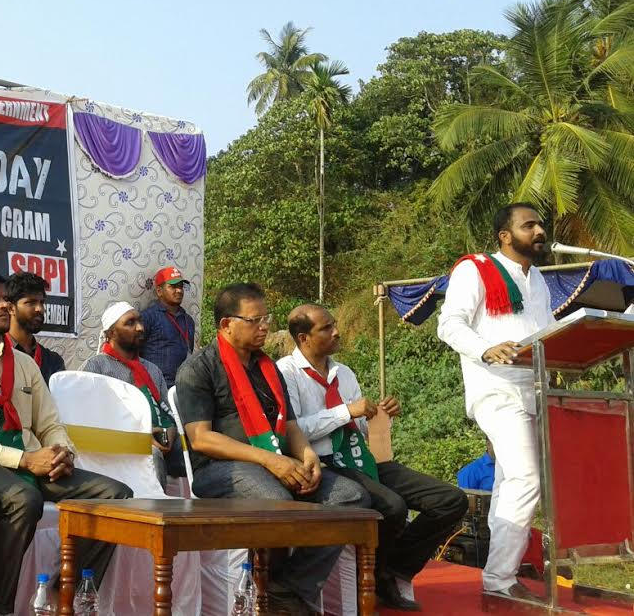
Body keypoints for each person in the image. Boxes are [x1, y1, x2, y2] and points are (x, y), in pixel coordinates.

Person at [0, 269, 132, 616]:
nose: (4, 306)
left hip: (31, 460)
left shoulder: (23, 363)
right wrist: (24, 460)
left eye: (6, 298)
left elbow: (49, 423)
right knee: (23, 499)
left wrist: (63, 452)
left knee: (117, 495)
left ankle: (68, 594)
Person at [175, 282, 371, 616]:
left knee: (351, 498)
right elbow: (202, 439)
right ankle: (271, 593)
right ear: (226, 324)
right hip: (220, 469)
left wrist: (307, 456)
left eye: (266, 318)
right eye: (255, 320)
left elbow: (290, 425)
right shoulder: (198, 368)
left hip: (276, 462)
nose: (264, 326)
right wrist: (270, 460)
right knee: (277, 501)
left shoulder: (268, 368)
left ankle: (286, 588)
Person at [280, 303, 467, 611]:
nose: (336, 332)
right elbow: (293, 428)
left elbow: (361, 427)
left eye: (334, 324)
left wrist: (382, 416)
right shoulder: (285, 373)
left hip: (361, 459)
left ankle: (392, 570)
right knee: (392, 506)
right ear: (303, 338)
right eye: (326, 328)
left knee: (450, 500)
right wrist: (345, 411)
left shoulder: (344, 372)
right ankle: (373, 576)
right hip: (324, 462)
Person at [437, 202, 555, 601]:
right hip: (497, 390)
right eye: (529, 225)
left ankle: (498, 579)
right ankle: (500, 579)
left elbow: (546, 332)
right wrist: (485, 349)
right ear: (505, 236)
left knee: (511, 483)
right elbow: (449, 324)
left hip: (535, 391)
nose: (539, 231)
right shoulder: (475, 269)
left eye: (540, 224)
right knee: (525, 479)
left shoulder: (537, 279)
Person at [80, 301, 184, 488]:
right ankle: (151, 507)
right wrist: (141, 436)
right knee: (152, 454)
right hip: (117, 443)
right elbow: (90, 419)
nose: (140, 328)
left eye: (140, 321)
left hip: (159, 438)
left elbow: (167, 412)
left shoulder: (151, 369)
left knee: (195, 448)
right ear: (111, 333)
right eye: (130, 323)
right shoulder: (97, 366)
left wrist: (169, 432)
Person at [140, 266, 195, 388]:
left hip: (184, 387)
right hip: (156, 387)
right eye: (173, 286)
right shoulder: (148, 317)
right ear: (159, 291)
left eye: (181, 286)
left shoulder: (188, 320)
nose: (179, 290)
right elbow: (133, 354)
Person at [5, 271, 65, 384]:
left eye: (41, 302)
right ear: (11, 308)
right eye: (31, 302)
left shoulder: (53, 361)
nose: (39, 309)